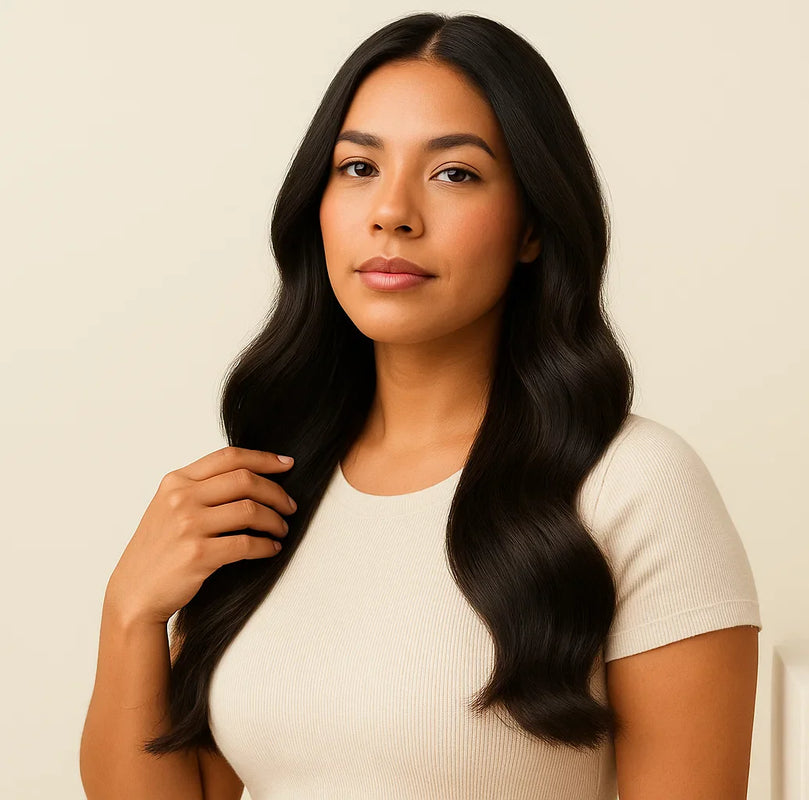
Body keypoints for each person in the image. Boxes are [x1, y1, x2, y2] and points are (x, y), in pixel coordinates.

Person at [81, 12, 761, 800]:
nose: (392, 212)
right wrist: (129, 613)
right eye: (358, 167)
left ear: (532, 226)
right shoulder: (271, 486)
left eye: (455, 173)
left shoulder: (633, 486)